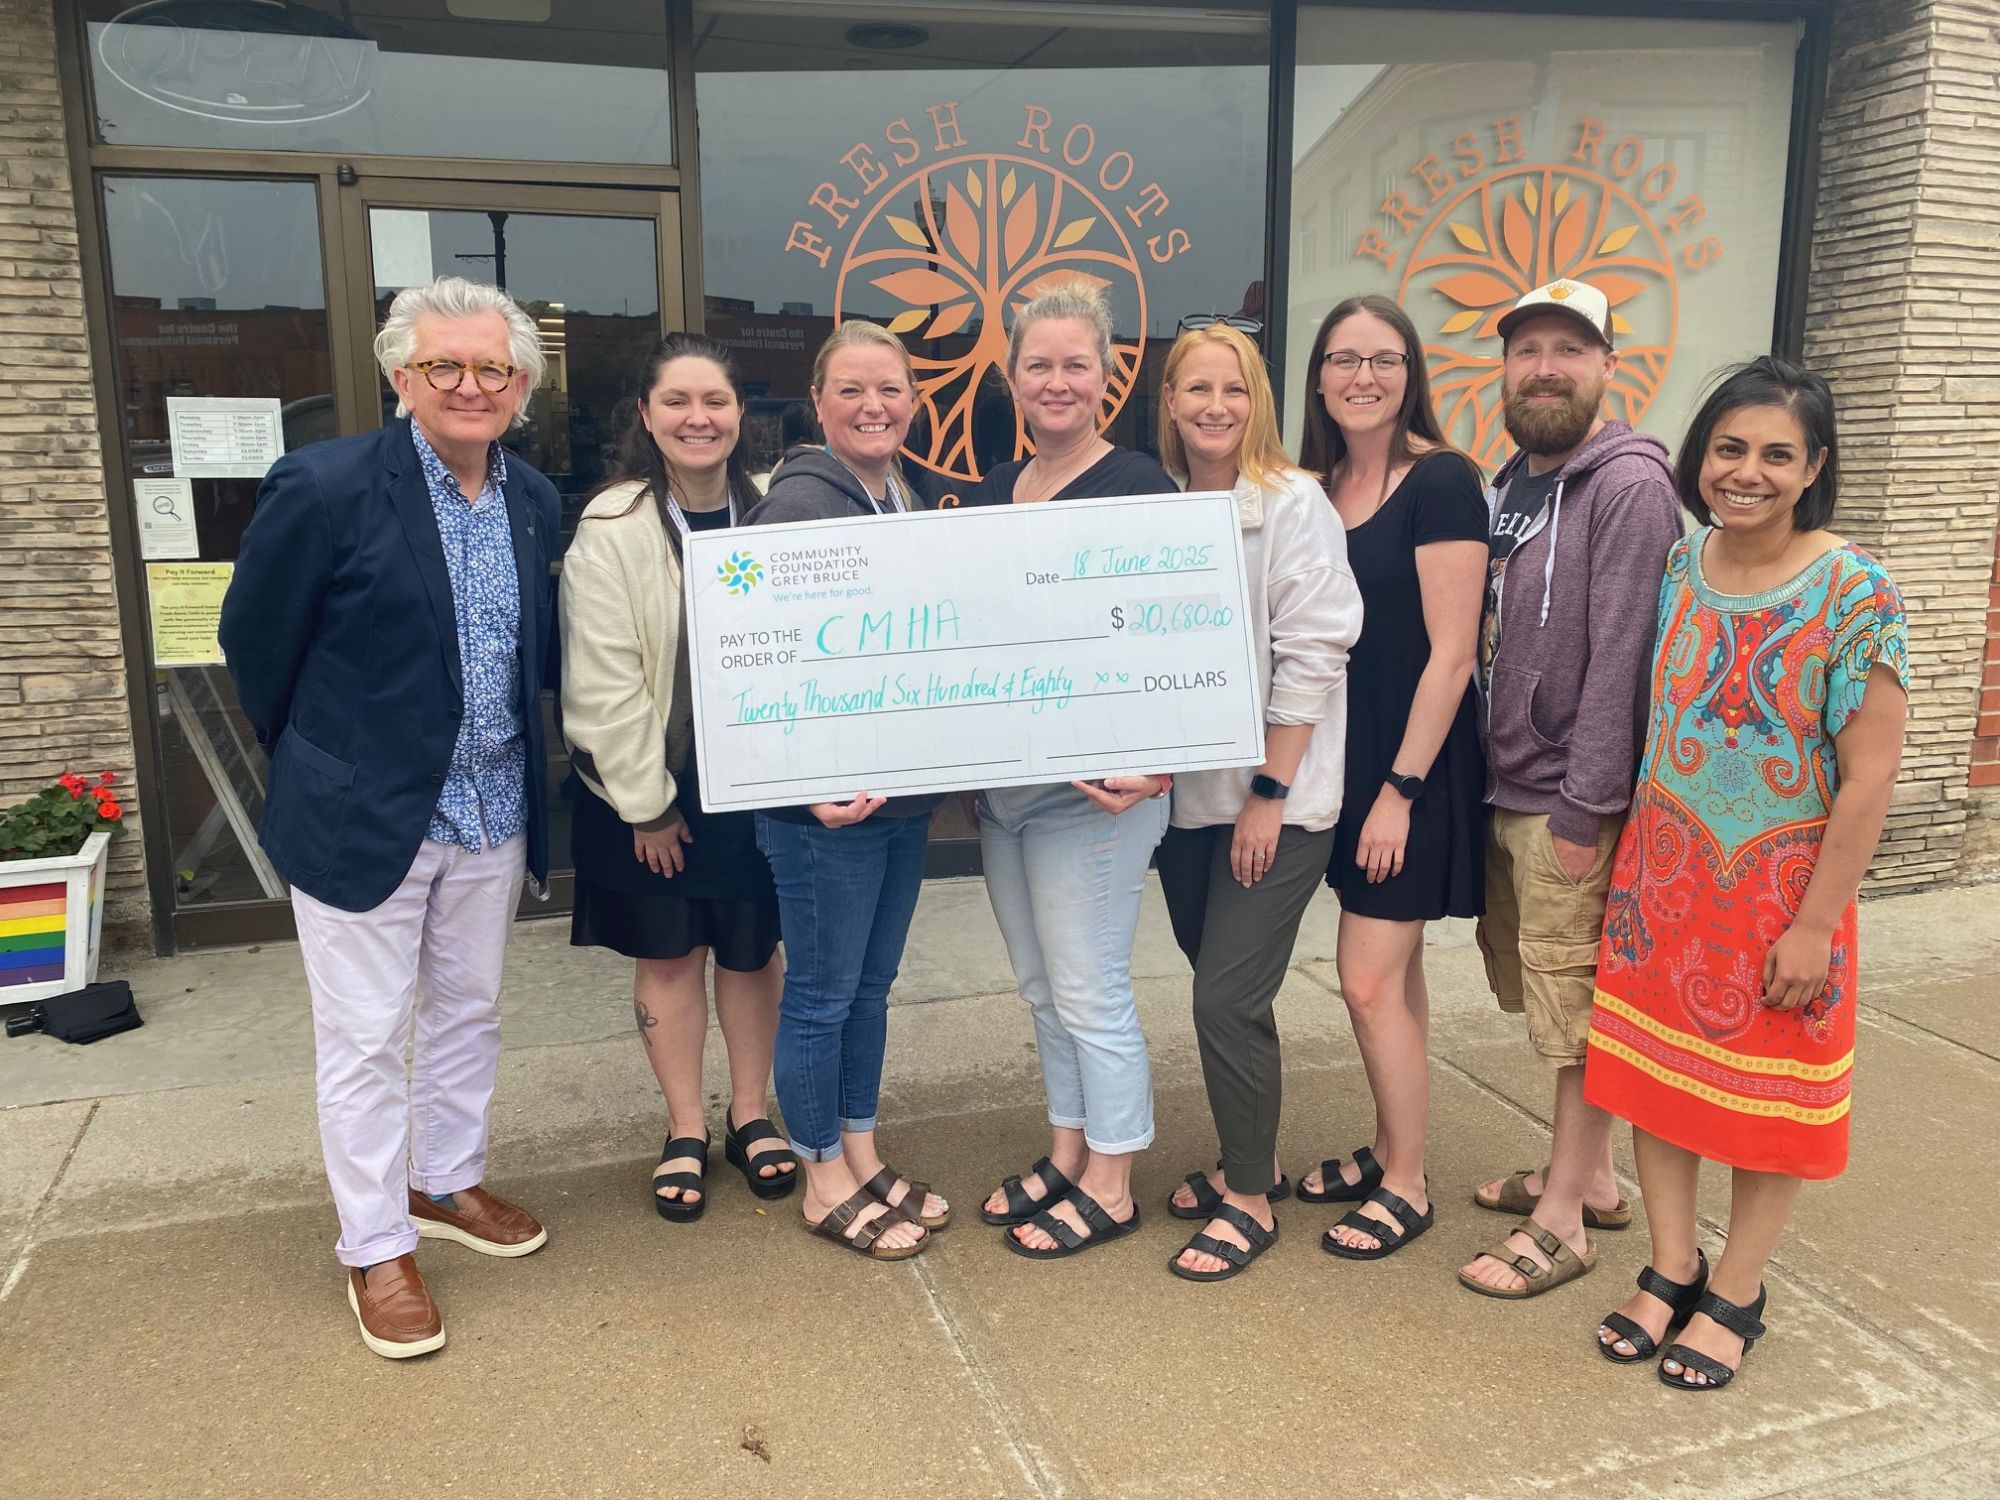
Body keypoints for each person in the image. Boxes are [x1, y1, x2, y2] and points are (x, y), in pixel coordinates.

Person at [219, 277, 559, 1358]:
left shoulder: (534, 499)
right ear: (400, 376)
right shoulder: (323, 486)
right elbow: (256, 644)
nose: (469, 386)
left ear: (522, 384)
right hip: (362, 816)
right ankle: (372, 1245)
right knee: (364, 1038)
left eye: (492, 369)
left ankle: (444, 1181)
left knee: (469, 1012)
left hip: (492, 807)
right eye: (443, 367)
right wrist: (322, 762)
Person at [1587, 358, 1907, 1389]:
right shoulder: (1680, 567)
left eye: (1776, 454)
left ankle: (1735, 1290)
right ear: (1700, 457)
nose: (1747, 472)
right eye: (1729, 448)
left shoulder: (1854, 591)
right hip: (1664, 882)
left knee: (1767, 1109)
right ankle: (1670, 1267)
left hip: (1780, 902)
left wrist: (1814, 925)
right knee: (1657, 1088)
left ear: (1813, 467)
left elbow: (1866, 780)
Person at [1458, 278, 1685, 1300]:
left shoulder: (1628, 486)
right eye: (1525, 351)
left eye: (1567, 349)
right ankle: (1585, 1177)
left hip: (1565, 796)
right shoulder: (1513, 482)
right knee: (1544, 994)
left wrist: (1585, 806)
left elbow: (1621, 658)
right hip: (1508, 781)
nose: (1544, 368)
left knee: (1571, 1005)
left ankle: (1563, 1227)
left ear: (1604, 367)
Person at [955, 281, 1175, 1261]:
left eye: (1073, 364)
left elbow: (1176, 636)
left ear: (1105, 376)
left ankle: (1115, 1179)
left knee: (1089, 990)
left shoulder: (1138, 487)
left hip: (1093, 798)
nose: (1055, 381)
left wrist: (1162, 764)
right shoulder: (995, 490)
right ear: (1011, 378)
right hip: (1005, 795)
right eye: (1036, 365)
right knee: (1041, 989)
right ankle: (1066, 1150)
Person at [560, 332, 793, 1224]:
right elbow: (602, 681)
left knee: (748, 947)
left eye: (717, 402)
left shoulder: (778, 509)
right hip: (649, 789)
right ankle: (686, 1127)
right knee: (669, 955)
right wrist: (648, 805)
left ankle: (751, 1115)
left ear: (743, 416)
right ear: (648, 418)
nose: (700, 418)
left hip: (758, 783)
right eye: (679, 403)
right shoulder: (614, 526)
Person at [1153, 322, 1365, 1281]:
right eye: (1196, 389)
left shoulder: (1291, 502)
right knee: (1226, 992)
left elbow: (1315, 651)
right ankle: (1258, 1156)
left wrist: (1269, 795)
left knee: (1224, 1001)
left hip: (1271, 805)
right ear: (1168, 402)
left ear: (1260, 402)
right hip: (1183, 806)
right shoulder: (1158, 509)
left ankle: (1248, 1202)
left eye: (1233, 390)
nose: (1215, 407)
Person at [743, 320, 947, 1261]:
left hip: (897, 797)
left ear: (915, 399)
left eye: (891, 390)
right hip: (827, 812)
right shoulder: (801, 507)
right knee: (823, 994)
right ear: (818, 405)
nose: (875, 407)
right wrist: (799, 783)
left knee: (870, 987)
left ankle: (860, 1149)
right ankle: (823, 1175)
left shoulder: (898, 493)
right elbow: (756, 665)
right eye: (853, 391)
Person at [1289, 295, 1487, 1261]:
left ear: (1411, 373)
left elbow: (1452, 655)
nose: (1362, 377)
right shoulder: (1314, 487)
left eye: (1384, 359)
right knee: (1393, 977)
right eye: (1342, 360)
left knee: (1365, 981)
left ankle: (1407, 1184)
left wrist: (1400, 791)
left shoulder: (1443, 482)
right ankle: (1387, 1147)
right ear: (1318, 378)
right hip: (1341, 762)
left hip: (1410, 769)